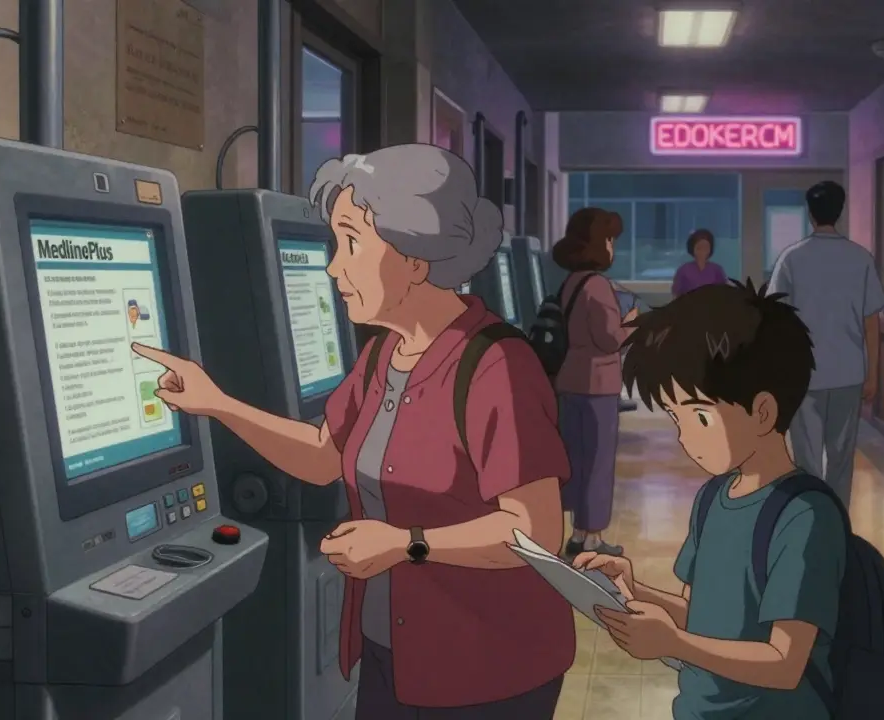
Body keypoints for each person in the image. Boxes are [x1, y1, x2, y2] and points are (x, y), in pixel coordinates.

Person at [132, 144, 574, 718]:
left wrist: (406, 544)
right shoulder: (383, 355)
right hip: (392, 651)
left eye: (351, 243)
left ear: (414, 257)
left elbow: (535, 531)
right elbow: (322, 454)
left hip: (486, 668)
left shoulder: (496, 364)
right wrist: (216, 404)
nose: (334, 265)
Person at [576, 282, 844, 719]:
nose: (685, 437)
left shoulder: (805, 515)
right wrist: (632, 589)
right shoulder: (712, 497)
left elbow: (785, 663)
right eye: (675, 417)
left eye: (699, 415)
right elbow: (699, 615)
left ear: (763, 412)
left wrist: (673, 643)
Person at [767, 181, 884, 508]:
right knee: (841, 460)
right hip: (849, 372)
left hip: (804, 375)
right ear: (840, 211)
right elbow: (871, 321)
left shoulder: (791, 258)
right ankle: (837, 525)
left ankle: (811, 524)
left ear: (810, 214)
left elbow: (775, 320)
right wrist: (873, 374)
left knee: (806, 461)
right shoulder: (860, 258)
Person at [553, 207, 638, 558]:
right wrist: (633, 322)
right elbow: (610, 339)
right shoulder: (599, 286)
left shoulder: (571, 282)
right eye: (609, 239)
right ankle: (592, 540)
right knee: (599, 463)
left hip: (568, 382)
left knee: (577, 460)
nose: (612, 246)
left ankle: (578, 533)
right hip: (597, 387)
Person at [671, 229, 728, 297]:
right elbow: (677, 294)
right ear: (692, 248)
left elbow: (723, 294)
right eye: (699, 248)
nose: (702, 251)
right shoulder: (683, 270)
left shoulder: (717, 270)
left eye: (706, 248)